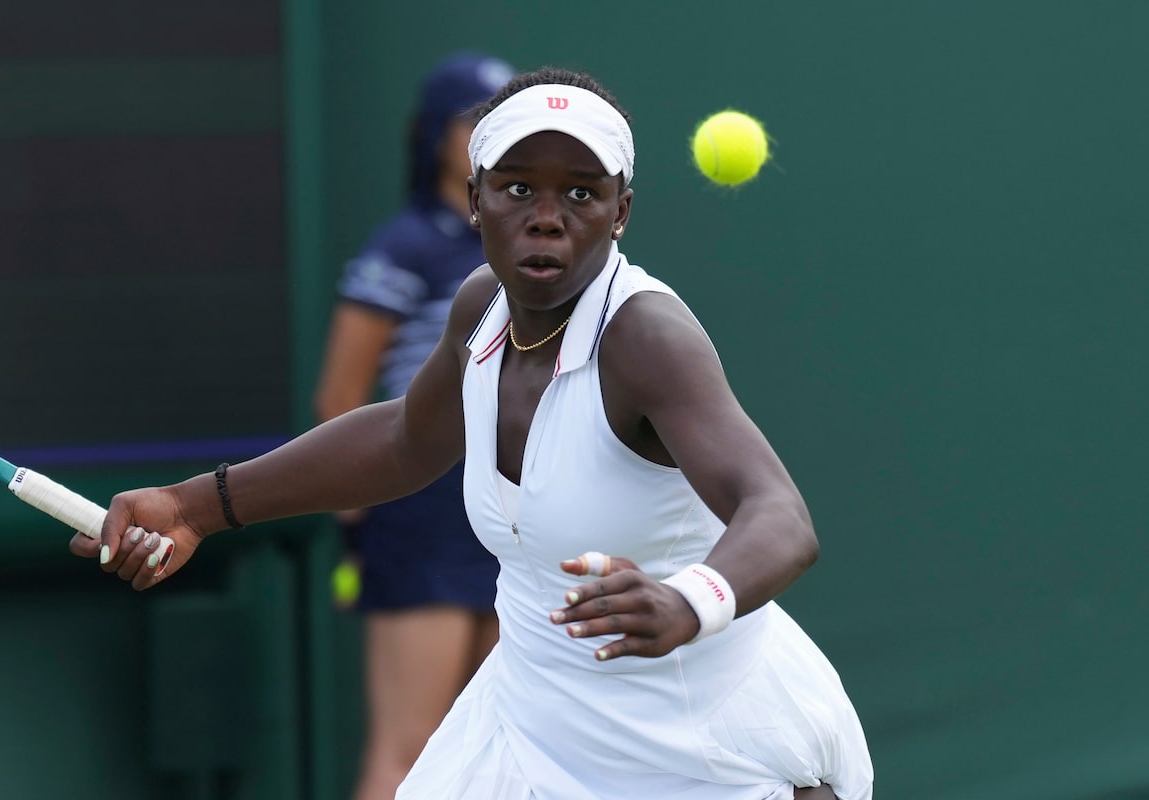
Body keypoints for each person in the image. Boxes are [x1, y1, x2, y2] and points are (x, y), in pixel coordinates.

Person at [73, 66, 874, 800]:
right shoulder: (479, 309)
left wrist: (688, 599)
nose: (548, 220)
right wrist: (194, 507)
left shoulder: (647, 338)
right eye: (519, 189)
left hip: (698, 742)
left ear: (621, 211)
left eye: (582, 194)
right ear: (475, 196)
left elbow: (779, 514)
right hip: (525, 731)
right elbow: (402, 441)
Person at [311, 51, 513, 800]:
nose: (494, 137)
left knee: (502, 751)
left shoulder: (524, 245)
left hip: (513, 513)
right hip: (420, 517)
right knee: (410, 756)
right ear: (436, 135)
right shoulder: (405, 247)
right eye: (477, 121)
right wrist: (359, 529)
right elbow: (340, 396)